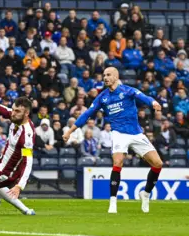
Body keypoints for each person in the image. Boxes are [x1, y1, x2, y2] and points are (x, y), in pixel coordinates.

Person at [63, 67, 163, 214]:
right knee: (117, 162)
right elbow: (87, 114)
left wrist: (153, 103)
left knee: (158, 164)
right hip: (118, 133)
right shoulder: (102, 97)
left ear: (116, 77)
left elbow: (144, 97)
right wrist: (70, 131)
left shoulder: (128, 91)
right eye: (104, 75)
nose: (105, 77)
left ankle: (146, 194)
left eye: (108, 75)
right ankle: (113, 202)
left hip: (136, 133)